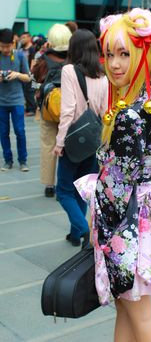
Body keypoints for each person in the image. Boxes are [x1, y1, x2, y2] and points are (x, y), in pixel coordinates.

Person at [74, 8, 151, 342]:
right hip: (147, 218)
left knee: (138, 315)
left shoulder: (129, 113)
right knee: (130, 311)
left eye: (124, 54)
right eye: (109, 54)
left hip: (126, 225)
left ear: (144, 52)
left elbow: (117, 184)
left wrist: (93, 216)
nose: (114, 64)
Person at [53, 29, 108, 248]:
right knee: (83, 188)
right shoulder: (103, 74)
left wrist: (59, 142)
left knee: (64, 190)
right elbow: (105, 112)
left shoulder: (68, 70)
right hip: (94, 139)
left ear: (73, 48)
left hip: (74, 139)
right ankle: (76, 234)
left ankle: (84, 229)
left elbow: (68, 110)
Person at [32, 24, 72, 197]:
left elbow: (35, 79)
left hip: (48, 110)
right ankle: (67, 181)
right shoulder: (74, 60)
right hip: (69, 110)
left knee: (48, 145)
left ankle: (49, 185)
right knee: (68, 146)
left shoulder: (43, 60)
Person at [0, 28, 30, 172]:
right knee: (3, 132)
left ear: (13, 43)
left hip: (17, 100)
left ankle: (23, 161)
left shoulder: (20, 55)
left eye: (7, 46)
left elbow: (28, 77)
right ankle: (8, 160)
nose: (5, 49)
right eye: (2, 46)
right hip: (1, 102)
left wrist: (17, 74)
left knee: (20, 131)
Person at [20, 31, 37, 116]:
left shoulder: (32, 48)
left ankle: (32, 109)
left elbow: (34, 61)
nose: (22, 39)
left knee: (30, 91)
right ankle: (28, 108)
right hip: (23, 74)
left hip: (31, 73)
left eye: (24, 37)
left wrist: (31, 72)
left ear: (29, 38)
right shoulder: (21, 49)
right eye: (21, 37)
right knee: (25, 91)